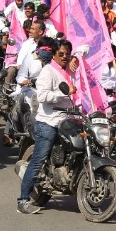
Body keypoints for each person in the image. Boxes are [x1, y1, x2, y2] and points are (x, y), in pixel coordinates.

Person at [17, 39, 76, 214]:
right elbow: (42, 96)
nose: (65, 57)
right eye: (61, 54)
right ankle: (22, 201)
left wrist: (77, 58)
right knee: (38, 160)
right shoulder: (48, 72)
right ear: (54, 55)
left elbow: (85, 49)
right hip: (48, 122)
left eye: (68, 54)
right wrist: (63, 93)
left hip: (68, 121)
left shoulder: (69, 71)